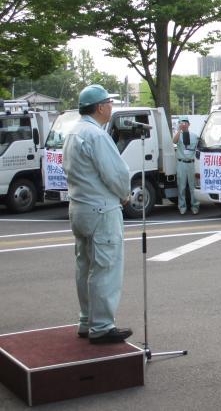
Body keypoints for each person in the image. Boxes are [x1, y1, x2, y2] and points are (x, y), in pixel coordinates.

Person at [63, 84, 132, 344]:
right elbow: (116, 173)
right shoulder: (97, 135)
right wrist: (125, 194)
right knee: (105, 267)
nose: (111, 107)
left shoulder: (73, 132)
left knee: (85, 266)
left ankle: (86, 320)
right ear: (101, 106)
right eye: (110, 103)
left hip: (78, 207)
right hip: (101, 209)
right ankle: (102, 326)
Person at [173, 117, 200, 215]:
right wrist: (179, 130)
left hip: (192, 163)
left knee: (193, 187)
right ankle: (182, 206)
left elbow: (200, 146)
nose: (183, 124)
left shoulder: (195, 136)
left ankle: (195, 206)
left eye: (185, 123)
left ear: (189, 124)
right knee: (181, 186)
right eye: (181, 123)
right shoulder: (178, 135)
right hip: (181, 163)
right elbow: (174, 141)